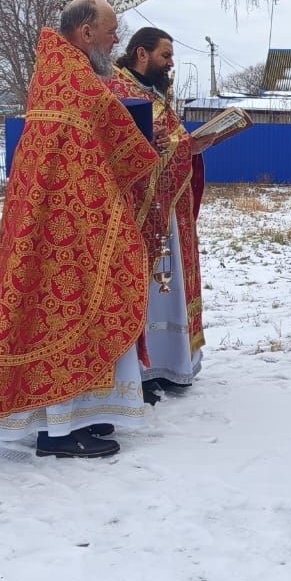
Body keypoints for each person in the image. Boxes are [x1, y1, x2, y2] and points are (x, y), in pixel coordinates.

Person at [0, 0, 160, 459]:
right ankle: (56, 430)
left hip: (72, 218)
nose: (118, 37)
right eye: (111, 29)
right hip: (58, 223)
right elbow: (111, 134)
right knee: (57, 313)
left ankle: (80, 417)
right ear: (85, 32)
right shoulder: (68, 77)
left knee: (80, 311)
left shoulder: (75, 72)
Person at [106, 27, 213, 402]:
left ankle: (172, 362)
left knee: (170, 287)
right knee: (146, 289)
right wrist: (179, 146)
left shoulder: (155, 94)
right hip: (139, 214)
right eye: (166, 56)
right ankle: (144, 370)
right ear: (141, 54)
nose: (171, 64)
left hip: (170, 210)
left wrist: (193, 144)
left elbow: (169, 142)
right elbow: (123, 153)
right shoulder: (118, 92)